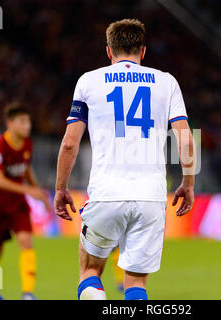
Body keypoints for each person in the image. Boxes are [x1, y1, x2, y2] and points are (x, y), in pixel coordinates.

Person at [54, 19, 195, 300]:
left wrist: (61, 188)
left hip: (107, 193)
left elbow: (70, 143)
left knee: (90, 270)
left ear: (109, 51)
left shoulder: (88, 81)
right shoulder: (167, 82)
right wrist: (188, 184)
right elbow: (187, 139)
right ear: (143, 51)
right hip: (150, 197)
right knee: (136, 283)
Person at [0, 102, 51, 300]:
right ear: (10, 123)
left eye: (28, 121)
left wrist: (37, 190)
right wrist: (28, 189)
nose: (27, 125)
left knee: (26, 242)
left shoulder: (27, 143)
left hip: (18, 204)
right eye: (22, 121)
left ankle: (28, 294)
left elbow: (26, 168)